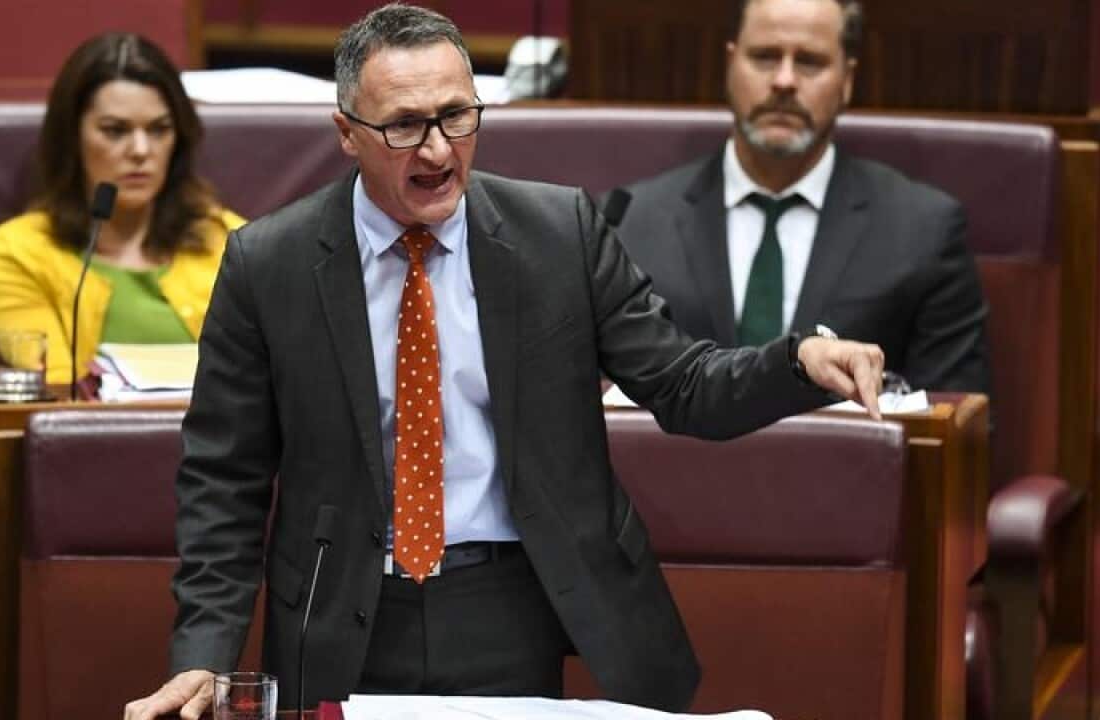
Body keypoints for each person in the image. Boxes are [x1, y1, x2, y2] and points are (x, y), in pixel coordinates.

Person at [124, 5, 885, 719]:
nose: (437, 149)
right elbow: (225, 478)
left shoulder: (561, 235)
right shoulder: (269, 263)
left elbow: (684, 384)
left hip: (516, 600)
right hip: (344, 611)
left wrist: (798, 362)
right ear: (346, 132)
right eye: (404, 126)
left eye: (456, 117)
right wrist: (205, 651)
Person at [613, 0, 990, 393]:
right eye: (764, 57)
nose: (784, 81)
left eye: (809, 61)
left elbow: (954, 423)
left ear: (847, 79)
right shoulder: (630, 224)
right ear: (730, 64)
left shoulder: (923, 232)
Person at [0, 33, 244, 385]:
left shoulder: (233, 244)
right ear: (72, 138)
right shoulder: (16, 255)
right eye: (115, 131)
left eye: (159, 129)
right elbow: (53, 399)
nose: (141, 150)